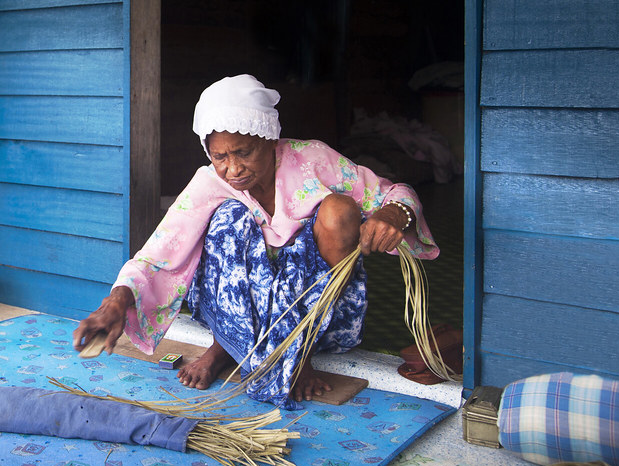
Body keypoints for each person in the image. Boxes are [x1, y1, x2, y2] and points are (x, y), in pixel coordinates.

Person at [73, 75, 439, 408]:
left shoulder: (311, 159)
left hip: (312, 311)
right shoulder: (210, 182)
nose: (233, 169)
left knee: (339, 209)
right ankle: (225, 346)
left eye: (244, 152)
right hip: (240, 313)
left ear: (268, 138)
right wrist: (117, 301)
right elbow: (159, 250)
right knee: (226, 219)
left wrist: (394, 215)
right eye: (220, 157)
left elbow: (394, 193)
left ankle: (300, 352)